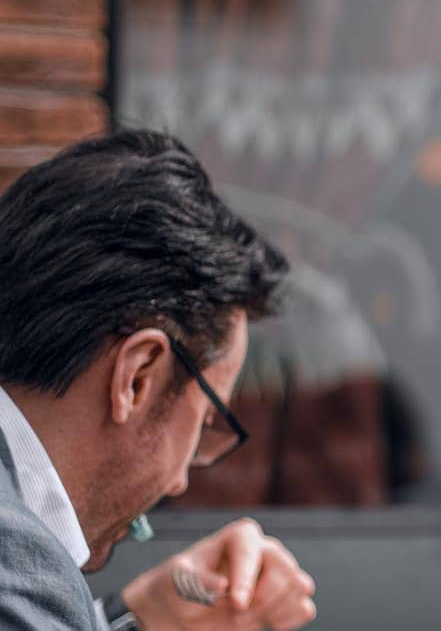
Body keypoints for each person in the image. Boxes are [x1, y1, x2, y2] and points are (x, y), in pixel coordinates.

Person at [0, 130, 318, 630]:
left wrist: (147, 616)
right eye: (207, 419)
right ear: (137, 377)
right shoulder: (19, 569)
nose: (180, 480)